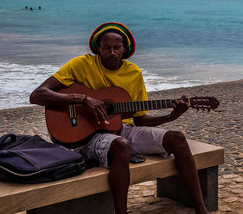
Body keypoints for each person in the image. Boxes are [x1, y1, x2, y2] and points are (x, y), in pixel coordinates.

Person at [30, 22, 208, 214]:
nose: (112, 52)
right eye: (106, 48)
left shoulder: (133, 73)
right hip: (86, 136)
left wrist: (170, 116)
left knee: (178, 138)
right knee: (122, 145)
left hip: (120, 129)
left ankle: (200, 208)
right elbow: (37, 95)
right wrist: (83, 99)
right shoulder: (80, 65)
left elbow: (139, 120)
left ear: (125, 49)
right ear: (99, 48)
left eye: (117, 48)